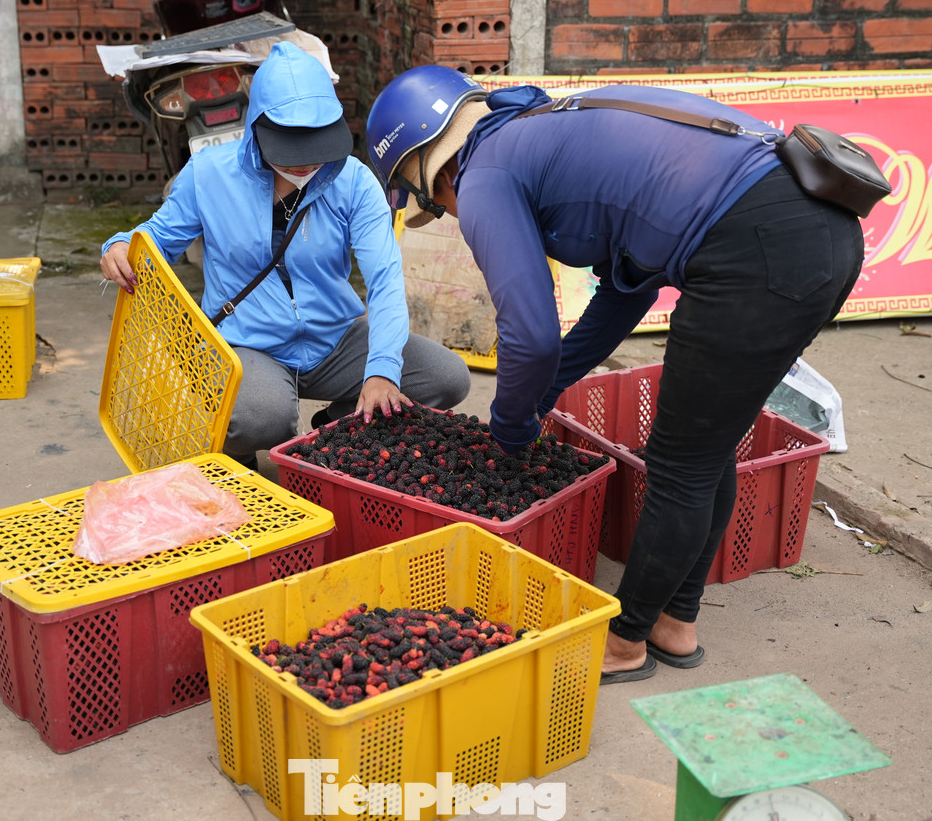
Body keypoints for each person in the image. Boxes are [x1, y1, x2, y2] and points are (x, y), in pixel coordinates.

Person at [365, 67, 866, 684]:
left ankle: (626, 640)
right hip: (821, 231)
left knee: (680, 462)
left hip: (759, 250)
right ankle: (674, 625)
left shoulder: (485, 173)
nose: (446, 212)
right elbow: (627, 289)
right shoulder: (549, 127)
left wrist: (512, 423)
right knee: (706, 450)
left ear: (434, 169)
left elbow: (528, 332)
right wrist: (545, 393)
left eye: (433, 204)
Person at [100, 43, 471, 466]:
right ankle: (237, 447)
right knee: (263, 418)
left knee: (445, 378)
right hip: (248, 345)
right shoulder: (206, 174)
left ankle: (336, 430)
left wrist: (382, 371)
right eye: (290, 149)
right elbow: (156, 238)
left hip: (335, 338)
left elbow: (385, 281)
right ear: (257, 127)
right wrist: (119, 244)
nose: (302, 164)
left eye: (314, 146)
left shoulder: (354, 183)